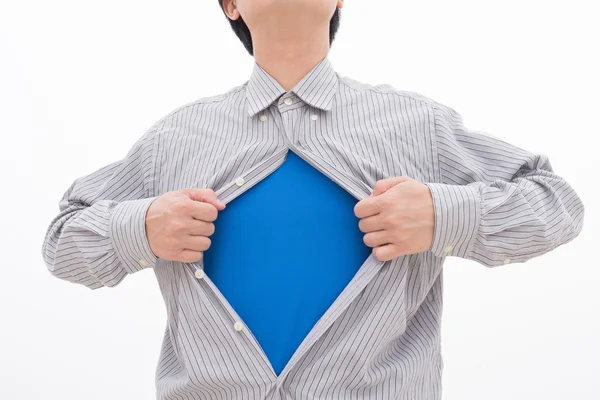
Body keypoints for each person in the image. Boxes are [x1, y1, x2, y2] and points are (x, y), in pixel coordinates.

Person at [41, 1, 585, 399]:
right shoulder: (174, 138)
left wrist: (446, 215)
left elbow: (556, 202)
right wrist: (138, 228)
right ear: (230, 6)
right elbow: (61, 241)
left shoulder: (418, 125)